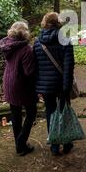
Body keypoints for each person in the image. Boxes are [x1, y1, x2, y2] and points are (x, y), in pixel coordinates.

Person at [33, 12, 75, 156]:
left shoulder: (37, 42)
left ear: (44, 22)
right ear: (59, 23)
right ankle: (67, 143)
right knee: (64, 112)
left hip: (46, 86)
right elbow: (69, 66)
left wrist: (38, 85)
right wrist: (67, 86)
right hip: (61, 84)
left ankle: (54, 146)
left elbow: (36, 66)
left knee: (50, 112)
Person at [0, 21, 36, 156]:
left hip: (8, 82)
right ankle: (21, 142)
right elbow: (29, 72)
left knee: (16, 115)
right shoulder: (26, 49)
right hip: (21, 86)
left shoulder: (8, 45)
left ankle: (19, 146)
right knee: (32, 112)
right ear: (25, 33)